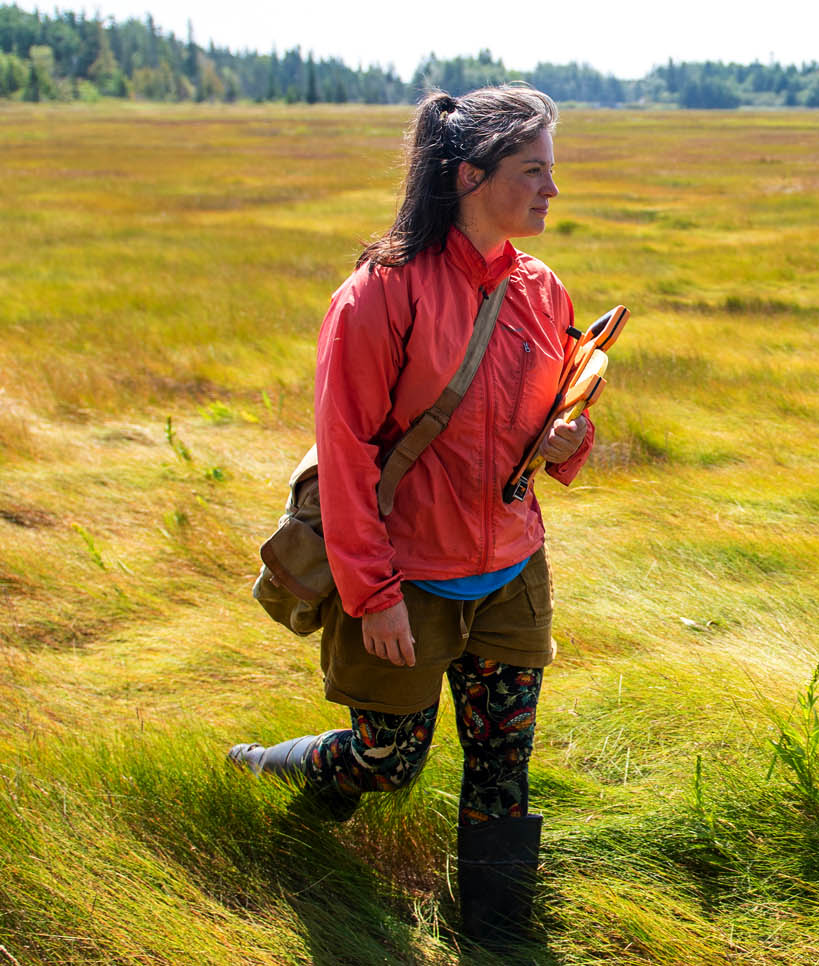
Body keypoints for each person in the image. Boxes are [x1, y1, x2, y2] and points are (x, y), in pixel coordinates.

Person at [226, 85, 594, 949]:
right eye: (532, 171)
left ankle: (498, 942)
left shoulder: (543, 291)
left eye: (552, 171)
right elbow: (346, 453)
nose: (551, 190)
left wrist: (569, 439)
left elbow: (542, 428)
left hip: (510, 570)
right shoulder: (378, 295)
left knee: (503, 765)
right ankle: (284, 775)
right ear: (470, 174)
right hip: (405, 578)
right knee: (388, 761)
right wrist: (375, 593)